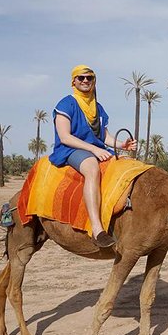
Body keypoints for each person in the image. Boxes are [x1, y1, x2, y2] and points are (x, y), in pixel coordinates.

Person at [48, 65, 137, 248]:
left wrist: (122, 145)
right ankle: (97, 229)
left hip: (94, 148)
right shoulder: (66, 104)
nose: (85, 81)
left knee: (127, 165)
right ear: (74, 81)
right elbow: (65, 136)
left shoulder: (97, 107)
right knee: (92, 168)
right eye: (81, 78)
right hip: (70, 149)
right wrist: (94, 150)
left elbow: (103, 136)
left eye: (89, 78)